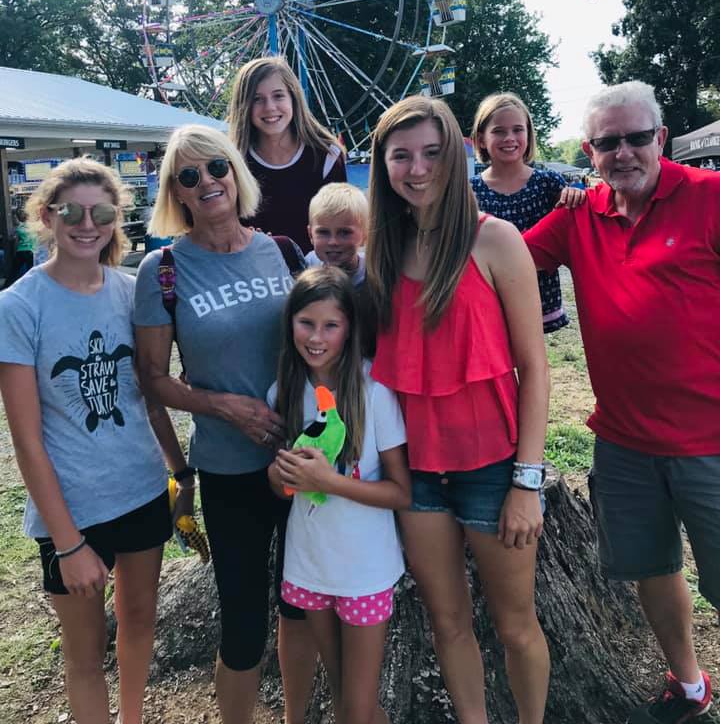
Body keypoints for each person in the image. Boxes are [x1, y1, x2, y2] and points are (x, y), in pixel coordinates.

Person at [523, 81, 720, 723]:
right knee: (651, 569)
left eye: (637, 137)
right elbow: (502, 260)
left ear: (661, 138)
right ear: (589, 152)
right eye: (608, 143)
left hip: (711, 440)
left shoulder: (710, 197)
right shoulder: (580, 215)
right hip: (625, 442)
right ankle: (688, 685)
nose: (624, 152)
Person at [367, 95, 550, 724]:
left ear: (457, 154)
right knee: (448, 623)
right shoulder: (381, 249)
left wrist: (527, 481)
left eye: (432, 153)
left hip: (494, 468)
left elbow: (536, 369)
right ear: (382, 165)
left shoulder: (495, 239)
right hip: (414, 472)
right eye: (401, 156)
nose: (417, 169)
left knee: (516, 625)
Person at [133, 124, 315, 724]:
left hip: (304, 460)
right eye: (189, 175)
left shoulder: (282, 251)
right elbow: (152, 378)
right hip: (229, 468)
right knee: (242, 622)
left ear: (236, 172)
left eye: (217, 167)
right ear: (176, 192)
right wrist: (222, 406)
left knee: (301, 606)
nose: (207, 182)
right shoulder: (162, 270)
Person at [0, 158, 185, 724]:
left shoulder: (131, 293)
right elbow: (26, 440)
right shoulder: (18, 307)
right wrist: (68, 544)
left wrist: (180, 471)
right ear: (45, 216)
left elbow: (149, 395)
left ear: (116, 220)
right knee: (84, 653)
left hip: (142, 489)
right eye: (72, 212)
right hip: (73, 508)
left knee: (140, 622)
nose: (87, 225)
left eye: (101, 214)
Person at [268, 266, 410, 724]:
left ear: (350, 329)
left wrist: (330, 482)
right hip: (311, 564)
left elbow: (401, 492)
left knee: (357, 708)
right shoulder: (283, 392)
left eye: (330, 325)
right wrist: (279, 475)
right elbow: (284, 490)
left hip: (364, 570)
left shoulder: (375, 392)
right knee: (345, 697)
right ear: (290, 323)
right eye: (306, 323)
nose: (316, 337)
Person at [471, 92, 583, 334]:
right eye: (499, 131)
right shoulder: (470, 191)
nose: (509, 138)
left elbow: (573, 223)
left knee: (534, 355)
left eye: (517, 130)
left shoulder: (549, 183)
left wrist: (575, 194)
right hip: (490, 298)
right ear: (481, 139)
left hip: (539, 299)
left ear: (529, 135)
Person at [228, 56, 346, 252]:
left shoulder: (326, 156)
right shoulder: (230, 164)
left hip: (317, 267)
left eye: (278, 96)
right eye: (257, 99)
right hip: (253, 268)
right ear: (243, 106)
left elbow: (341, 227)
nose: (269, 107)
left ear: (293, 97)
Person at [305, 182, 376, 357]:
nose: (333, 242)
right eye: (323, 232)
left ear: (365, 234)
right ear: (310, 235)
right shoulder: (307, 267)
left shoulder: (374, 274)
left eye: (344, 232)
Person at [7, 205, 35, 284]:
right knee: (31, 271)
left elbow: (12, 237)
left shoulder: (19, 227)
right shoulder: (33, 227)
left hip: (21, 251)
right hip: (31, 251)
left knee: (14, 271)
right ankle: (30, 285)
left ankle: (8, 285)